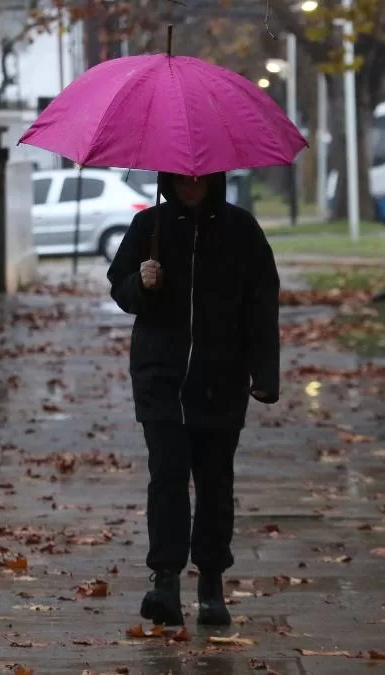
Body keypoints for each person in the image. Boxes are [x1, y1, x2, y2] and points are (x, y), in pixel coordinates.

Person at [107, 171, 280, 627]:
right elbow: (120, 290)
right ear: (167, 177)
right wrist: (141, 283)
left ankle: (211, 583)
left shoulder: (241, 230)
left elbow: (262, 304)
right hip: (160, 379)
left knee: (215, 484)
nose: (190, 184)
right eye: (181, 177)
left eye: (199, 177)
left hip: (219, 381)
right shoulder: (150, 228)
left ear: (215, 177)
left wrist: (264, 374)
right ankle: (164, 581)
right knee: (166, 480)